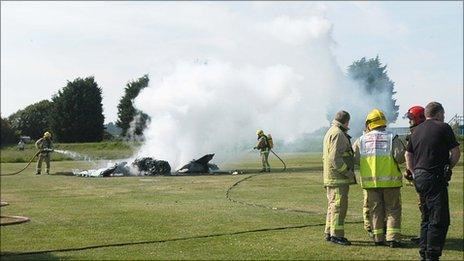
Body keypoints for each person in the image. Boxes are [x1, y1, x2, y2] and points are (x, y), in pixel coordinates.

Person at [405, 102, 460, 261]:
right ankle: (432, 254)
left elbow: (408, 155)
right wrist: (448, 167)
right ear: (438, 113)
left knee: (426, 218)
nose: (443, 117)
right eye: (443, 114)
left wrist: (414, 172)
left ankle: (423, 252)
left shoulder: (416, 131)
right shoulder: (443, 127)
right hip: (435, 176)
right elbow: (456, 152)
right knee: (439, 218)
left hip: (420, 178)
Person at [353, 109, 405, 248]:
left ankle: (378, 238)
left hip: (370, 184)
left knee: (375, 211)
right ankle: (393, 238)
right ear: (383, 122)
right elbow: (400, 158)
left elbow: (356, 159)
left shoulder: (361, 140)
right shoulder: (392, 137)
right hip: (391, 182)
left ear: (369, 124)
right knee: (392, 210)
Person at [322, 110, 356, 245]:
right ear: (347, 121)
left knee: (332, 206)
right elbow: (335, 159)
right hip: (338, 178)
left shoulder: (331, 131)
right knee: (338, 207)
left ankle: (329, 232)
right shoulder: (338, 134)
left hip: (331, 177)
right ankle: (336, 235)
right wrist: (348, 172)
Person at [403, 105, 426, 244]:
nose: (409, 121)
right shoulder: (417, 133)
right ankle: (425, 234)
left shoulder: (418, 133)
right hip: (419, 174)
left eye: (411, 118)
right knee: (423, 205)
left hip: (422, 175)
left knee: (425, 206)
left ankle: (427, 235)